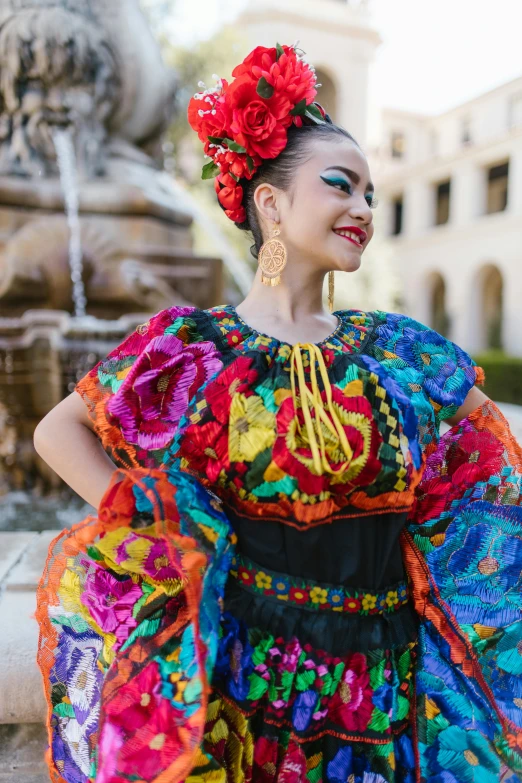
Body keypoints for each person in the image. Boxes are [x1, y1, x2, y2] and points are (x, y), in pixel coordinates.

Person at [33, 43, 522, 783]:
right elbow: (55, 429)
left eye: (369, 195)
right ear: (270, 201)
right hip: (238, 678)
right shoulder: (192, 345)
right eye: (340, 185)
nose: (361, 208)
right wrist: (151, 520)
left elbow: (493, 460)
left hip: (379, 686)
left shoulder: (399, 352)